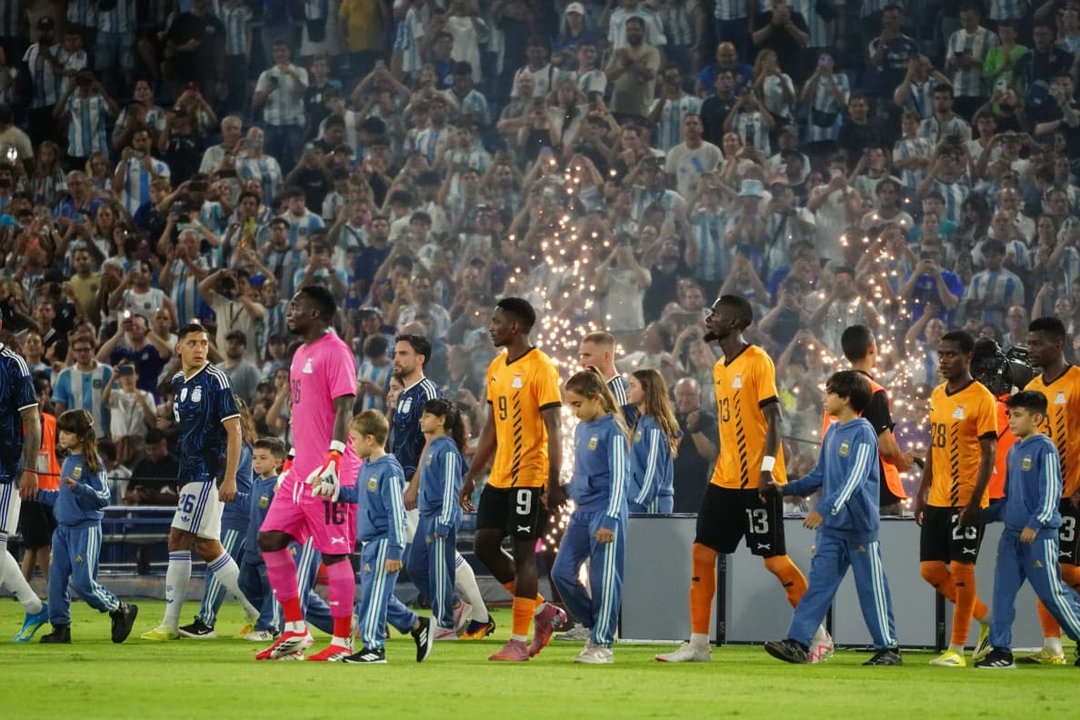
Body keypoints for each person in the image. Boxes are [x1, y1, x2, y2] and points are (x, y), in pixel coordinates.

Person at [656, 295, 831, 664]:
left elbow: (775, 420)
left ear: (735, 323)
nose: (709, 319)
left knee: (774, 560)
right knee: (702, 552)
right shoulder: (720, 368)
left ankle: (817, 634)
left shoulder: (758, 362)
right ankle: (698, 644)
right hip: (725, 478)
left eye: (716, 315)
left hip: (758, 481)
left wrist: (767, 468)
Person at [763, 371, 901, 666]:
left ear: (846, 398)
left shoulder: (864, 432)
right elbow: (820, 476)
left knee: (870, 587)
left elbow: (855, 479)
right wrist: (785, 489)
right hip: (833, 529)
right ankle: (797, 643)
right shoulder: (833, 432)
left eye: (829, 393)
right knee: (818, 587)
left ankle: (888, 648)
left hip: (859, 529)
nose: (824, 398)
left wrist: (824, 509)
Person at [255, 286, 361, 662]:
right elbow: (304, 417)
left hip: (329, 473)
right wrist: (290, 463)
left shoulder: (336, 351)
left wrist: (333, 460)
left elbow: (345, 408)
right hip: (300, 472)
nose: (289, 310)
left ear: (315, 314)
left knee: (334, 555)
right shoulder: (300, 353)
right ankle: (296, 630)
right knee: (269, 538)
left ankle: (343, 642)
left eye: (296, 306)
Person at [460, 297, 567, 662]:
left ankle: (519, 640)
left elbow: (555, 427)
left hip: (530, 474)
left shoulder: (541, 368)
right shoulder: (495, 367)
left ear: (515, 327)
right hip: (500, 476)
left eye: (496, 321)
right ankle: (542, 612)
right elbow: (491, 429)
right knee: (485, 545)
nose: (491, 327)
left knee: (525, 554)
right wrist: (472, 475)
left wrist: (552, 483)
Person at [141, 323, 257, 641]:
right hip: (191, 475)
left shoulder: (216, 380)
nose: (200, 348)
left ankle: (169, 623)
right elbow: (189, 435)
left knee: (179, 540)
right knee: (207, 546)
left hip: (209, 473)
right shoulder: (180, 382)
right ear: (178, 347)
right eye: (192, 343)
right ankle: (258, 613)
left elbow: (235, 432)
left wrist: (229, 477)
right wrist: (182, 477)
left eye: (204, 343)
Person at [394, 332, 492, 638]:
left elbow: (432, 442)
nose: (396, 359)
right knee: (425, 556)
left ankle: (467, 612)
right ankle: (468, 611)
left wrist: (414, 484)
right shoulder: (406, 393)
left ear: (420, 358)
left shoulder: (426, 390)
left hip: (419, 484)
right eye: (396, 353)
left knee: (442, 553)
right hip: (405, 478)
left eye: (403, 353)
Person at [977, 391, 1080, 669]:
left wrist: (1036, 523)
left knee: (1052, 594)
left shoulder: (1044, 449)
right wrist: (982, 514)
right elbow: (1010, 497)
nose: (1010, 419)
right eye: (1010, 414)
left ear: (1037, 418)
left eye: (1017, 415)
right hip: (1011, 538)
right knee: (1002, 594)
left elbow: (1051, 494)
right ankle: (1001, 652)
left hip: (1039, 537)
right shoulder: (1014, 450)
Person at [913, 330, 997, 667]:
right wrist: (922, 491)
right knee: (931, 571)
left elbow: (989, 453)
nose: (944, 361)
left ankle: (957, 650)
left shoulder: (982, 398)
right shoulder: (937, 395)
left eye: (951, 355)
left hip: (966, 499)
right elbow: (936, 445)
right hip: (937, 498)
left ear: (968, 356)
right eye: (941, 354)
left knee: (962, 570)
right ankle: (988, 620)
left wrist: (975, 502)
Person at [36, 410, 138, 644]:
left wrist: (80, 488)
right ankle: (61, 628)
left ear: (81, 436)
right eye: (61, 430)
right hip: (62, 531)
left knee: (83, 584)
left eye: (68, 431)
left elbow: (104, 497)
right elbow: (63, 497)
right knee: (56, 581)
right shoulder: (68, 461)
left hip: (85, 529)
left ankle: (119, 608)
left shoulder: (93, 463)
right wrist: (37, 494)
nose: (61, 435)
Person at [342, 410, 434, 665]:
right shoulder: (367, 466)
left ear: (370, 439)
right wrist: (335, 491)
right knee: (379, 595)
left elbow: (397, 512)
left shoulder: (390, 470)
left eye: (355, 439)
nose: (353, 444)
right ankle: (416, 625)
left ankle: (374, 648)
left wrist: (395, 551)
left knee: (373, 597)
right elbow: (356, 496)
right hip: (371, 543)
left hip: (384, 542)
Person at [552, 370, 629, 665]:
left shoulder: (614, 429)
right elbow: (583, 474)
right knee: (561, 572)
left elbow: (620, 479)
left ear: (596, 399)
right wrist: (564, 490)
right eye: (570, 405)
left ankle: (602, 645)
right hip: (581, 513)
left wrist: (611, 519)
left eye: (577, 404)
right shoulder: (581, 429)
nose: (573, 411)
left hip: (605, 512)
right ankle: (595, 626)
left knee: (604, 580)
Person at [1021, 316, 1080, 664]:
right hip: (1042, 498)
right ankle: (1052, 646)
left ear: (1057, 345)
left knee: (1067, 570)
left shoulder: (1076, 382)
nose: (1030, 349)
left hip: (1071, 492)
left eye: (1036, 344)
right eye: (1028, 343)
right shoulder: (1033, 388)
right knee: (1045, 568)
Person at [180, 398, 258, 639]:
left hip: (235, 513)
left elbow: (220, 473)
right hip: (231, 512)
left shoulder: (240, 447)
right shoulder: (233, 444)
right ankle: (262, 616)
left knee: (217, 565)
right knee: (237, 571)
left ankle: (206, 621)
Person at [823, 325, 914, 515]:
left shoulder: (833, 390)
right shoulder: (872, 391)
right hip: (876, 492)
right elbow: (886, 447)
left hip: (838, 489)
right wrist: (900, 462)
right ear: (871, 348)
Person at [1, 317, 50, 642]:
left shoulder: (12, 364)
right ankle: (34, 607)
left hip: (4, 470)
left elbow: (31, 419)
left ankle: (34, 607)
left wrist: (30, 468)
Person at [407, 399, 466, 639]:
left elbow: (452, 488)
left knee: (440, 570)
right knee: (415, 566)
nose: (422, 420)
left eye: (427, 416)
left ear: (441, 420)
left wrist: (445, 520)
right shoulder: (432, 446)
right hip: (426, 515)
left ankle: (444, 623)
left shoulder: (448, 449)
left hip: (440, 515)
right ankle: (453, 604)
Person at [239, 437, 287, 642]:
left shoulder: (278, 487)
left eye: (263, 458)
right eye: (254, 458)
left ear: (277, 462)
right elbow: (250, 506)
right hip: (251, 547)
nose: (257, 462)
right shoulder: (256, 483)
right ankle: (272, 618)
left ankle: (267, 626)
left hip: (268, 549)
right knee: (244, 583)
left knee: (271, 589)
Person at [626, 369, 677, 513]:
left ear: (647, 390)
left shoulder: (654, 426)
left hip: (651, 503)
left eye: (632, 385)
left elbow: (654, 471)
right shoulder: (641, 422)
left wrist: (639, 504)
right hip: (638, 502)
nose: (627, 390)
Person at [578, 330, 636, 424]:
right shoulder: (588, 389)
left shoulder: (621, 391)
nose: (582, 362)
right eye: (581, 356)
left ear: (606, 356)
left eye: (587, 355)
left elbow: (626, 433)